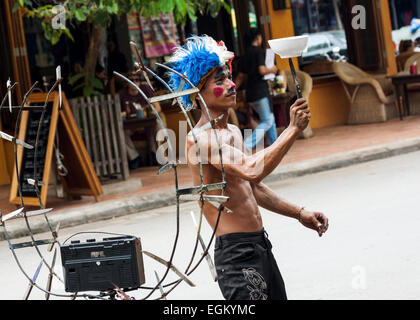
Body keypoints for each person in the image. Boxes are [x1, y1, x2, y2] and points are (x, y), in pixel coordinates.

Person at [168, 35, 329, 300]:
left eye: (229, 78)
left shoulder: (231, 130)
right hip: (236, 254)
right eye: (219, 81)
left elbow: (253, 187)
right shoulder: (199, 139)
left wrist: (299, 213)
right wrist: (291, 130)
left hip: (259, 244)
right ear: (197, 93)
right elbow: (252, 169)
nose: (231, 85)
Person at [235, 28, 280, 152]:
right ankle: (247, 145)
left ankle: (275, 146)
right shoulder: (259, 52)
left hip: (250, 93)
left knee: (270, 119)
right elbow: (262, 70)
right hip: (260, 91)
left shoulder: (245, 55)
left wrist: (232, 89)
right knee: (267, 120)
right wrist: (273, 69)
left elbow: (240, 76)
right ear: (258, 38)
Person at [118, 71, 166, 169]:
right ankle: (134, 158)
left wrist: (149, 114)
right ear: (127, 82)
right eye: (131, 80)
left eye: (137, 80)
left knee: (157, 125)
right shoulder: (121, 94)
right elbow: (118, 114)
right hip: (130, 126)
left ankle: (154, 154)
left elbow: (157, 107)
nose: (134, 82)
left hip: (147, 123)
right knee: (119, 131)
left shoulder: (146, 89)